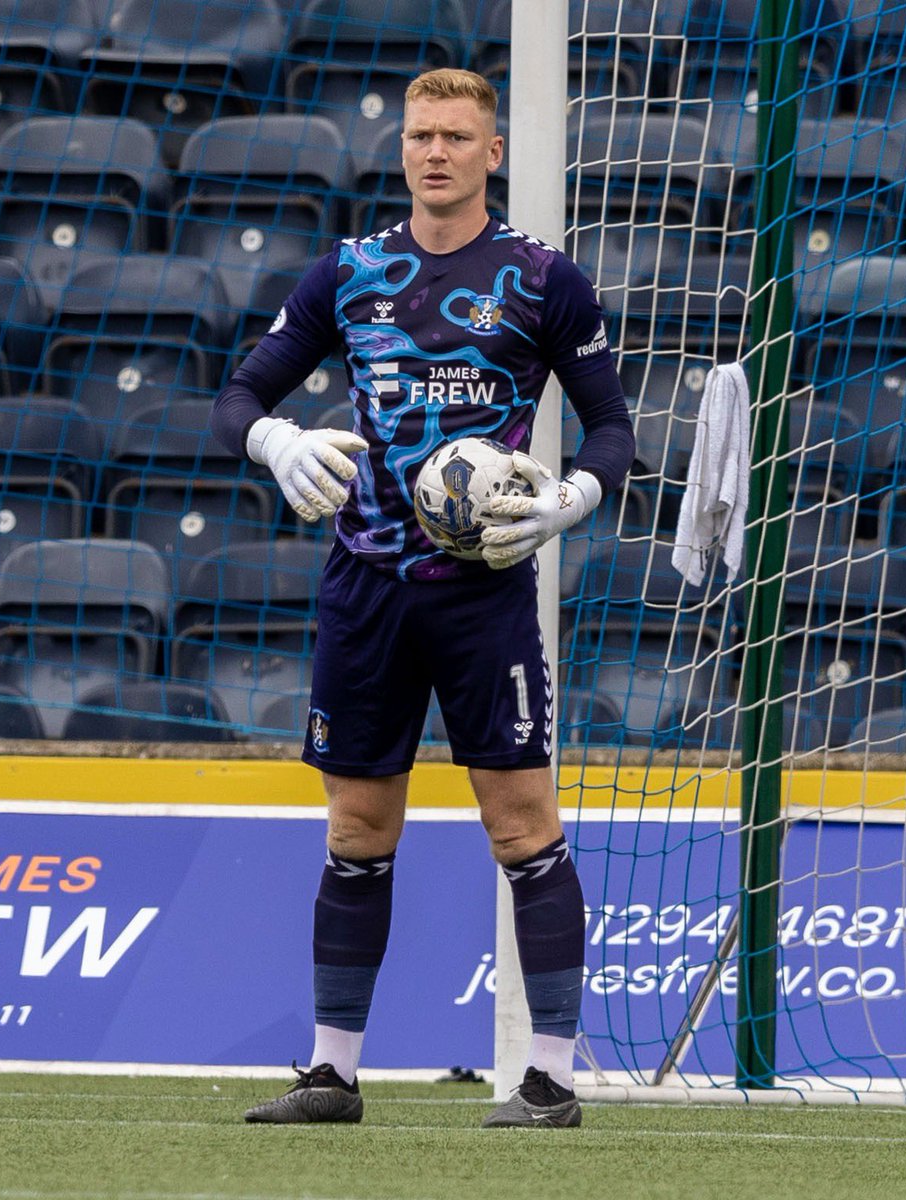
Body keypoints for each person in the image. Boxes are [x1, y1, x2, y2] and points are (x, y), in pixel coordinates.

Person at [211, 67, 634, 1129]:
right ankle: (331, 1075)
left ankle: (548, 1079)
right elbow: (240, 393)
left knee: (522, 825)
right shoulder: (350, 273)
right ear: (400, 148)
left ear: (493, 152)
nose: (434, 150)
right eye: (418, 134)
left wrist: (572, 499)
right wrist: (277, 439)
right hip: (364, 585)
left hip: (483, 591)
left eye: (455, 134)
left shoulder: (542, 280)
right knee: (356, 827)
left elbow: (612, 427)